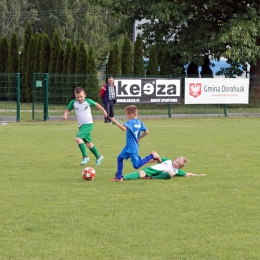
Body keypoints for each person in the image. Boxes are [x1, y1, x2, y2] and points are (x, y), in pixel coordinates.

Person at [109, 105, 162, 182]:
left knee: (136, 165)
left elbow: (123, 129)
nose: (126, 117)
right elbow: (147, 131)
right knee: (120, 158)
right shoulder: (139, 122)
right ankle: (119, 177)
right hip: (129, 146)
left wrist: (115, 121)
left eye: (126, 115)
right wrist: (139, 137)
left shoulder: (130, 122)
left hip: (132, 147)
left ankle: (152, 156)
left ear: (131, 115)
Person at [63, 87, 107, 166]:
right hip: (81, 126)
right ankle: (99, 156)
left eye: (81, 96)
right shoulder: (73, 103)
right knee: (88, 144)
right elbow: (68, 110)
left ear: (84, 95)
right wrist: (65, 114)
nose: (79, 98)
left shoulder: (88, 101)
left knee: (78, 138)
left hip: (88, 124)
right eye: (77, 97)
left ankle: (85, 157)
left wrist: (104, 111)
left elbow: (97, 105)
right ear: (75, 96)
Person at [123, 156, 205, 181]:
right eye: (177, 162)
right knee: (141, 173)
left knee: (171, 173)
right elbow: (157, 159)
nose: (177, 165)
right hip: (153, 169)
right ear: (175, 159)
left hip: (159, 174)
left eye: (179, 165)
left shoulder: (176, 171)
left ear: (180, 167)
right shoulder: (167, 160)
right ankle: (123, 177)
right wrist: (147, 161)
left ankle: (151, 178)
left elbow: (187, 174)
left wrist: (198, 175)